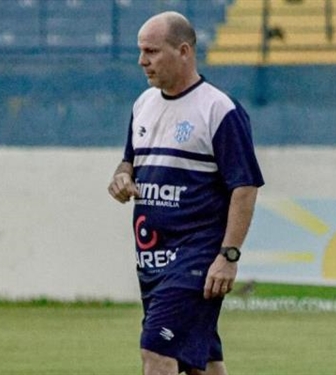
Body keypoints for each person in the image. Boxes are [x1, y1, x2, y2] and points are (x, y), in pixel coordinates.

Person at [107, 11, 264, 375]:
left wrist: (228, 255)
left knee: (156, 352)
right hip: (152, 260)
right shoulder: (143, 104)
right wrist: (121, 176)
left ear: (183, 51)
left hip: (196, 257)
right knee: (202, 364)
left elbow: (245, 186)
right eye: (140, 51)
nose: (141, 61)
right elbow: (128, 162)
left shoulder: (218, 110)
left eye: (151, 51)